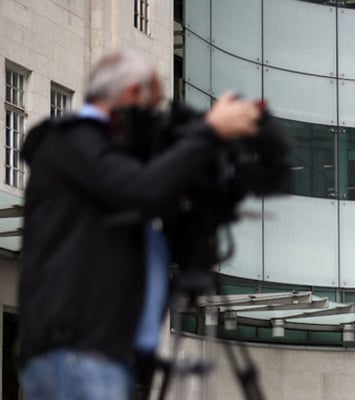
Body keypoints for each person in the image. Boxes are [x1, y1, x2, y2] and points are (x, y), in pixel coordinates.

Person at [16, 49, 262, 399]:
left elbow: (149, 199)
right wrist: (209, 133)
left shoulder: (108, 163)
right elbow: (142, 190)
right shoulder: (72, 141)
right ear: (133, 94)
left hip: (100, 353)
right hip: (77, 352)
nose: (155, 120)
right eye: (154, 106)